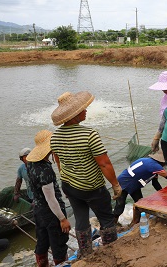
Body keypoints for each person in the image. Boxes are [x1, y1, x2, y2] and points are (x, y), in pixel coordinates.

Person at [50, 91, 122, 258]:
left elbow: (60, 163)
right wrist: (115, 185)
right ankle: (112, 251)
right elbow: (104, 163)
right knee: (106, 219)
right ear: (75, 115)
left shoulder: (54, 138)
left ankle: (86, 253)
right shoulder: (89, 134)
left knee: (81, 220)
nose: (86, 110)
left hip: (70, 186)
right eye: (83, 109)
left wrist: (67, 183)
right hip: (92, 187)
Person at [27, 130, 71, 266]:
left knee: (42, 240)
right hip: (50, 212)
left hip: (38, 209)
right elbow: (51, 199)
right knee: (58, 242)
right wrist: (62, 219)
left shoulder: (31, 165)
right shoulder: (45, 170)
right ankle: (60, 263)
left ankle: (42, 264)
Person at [113, 152, 167, 227]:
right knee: (119, 207)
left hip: (133, 183)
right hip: (124, 183)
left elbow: (155, 183)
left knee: (140, 203)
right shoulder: (155, 166)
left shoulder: (147, 161)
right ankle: (113, 225)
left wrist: (163, 194)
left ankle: (134, 223)